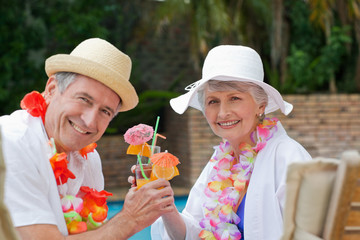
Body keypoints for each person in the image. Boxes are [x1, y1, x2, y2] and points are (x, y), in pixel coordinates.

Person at [1, 38, 175, 240]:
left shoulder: (89, 158)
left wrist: (137, 210)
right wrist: (130, 219)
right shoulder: (11, 143)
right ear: (51, 90)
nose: (90, 121)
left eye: (105, 111)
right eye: (84, 99)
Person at [150, 45, 312, 240]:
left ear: (260, 105)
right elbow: (192, 233)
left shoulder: (289, 157)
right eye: (213, 101)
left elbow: (313, 233)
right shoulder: (218, 163)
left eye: (234, 98)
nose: (222, 112)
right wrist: (164, 204)